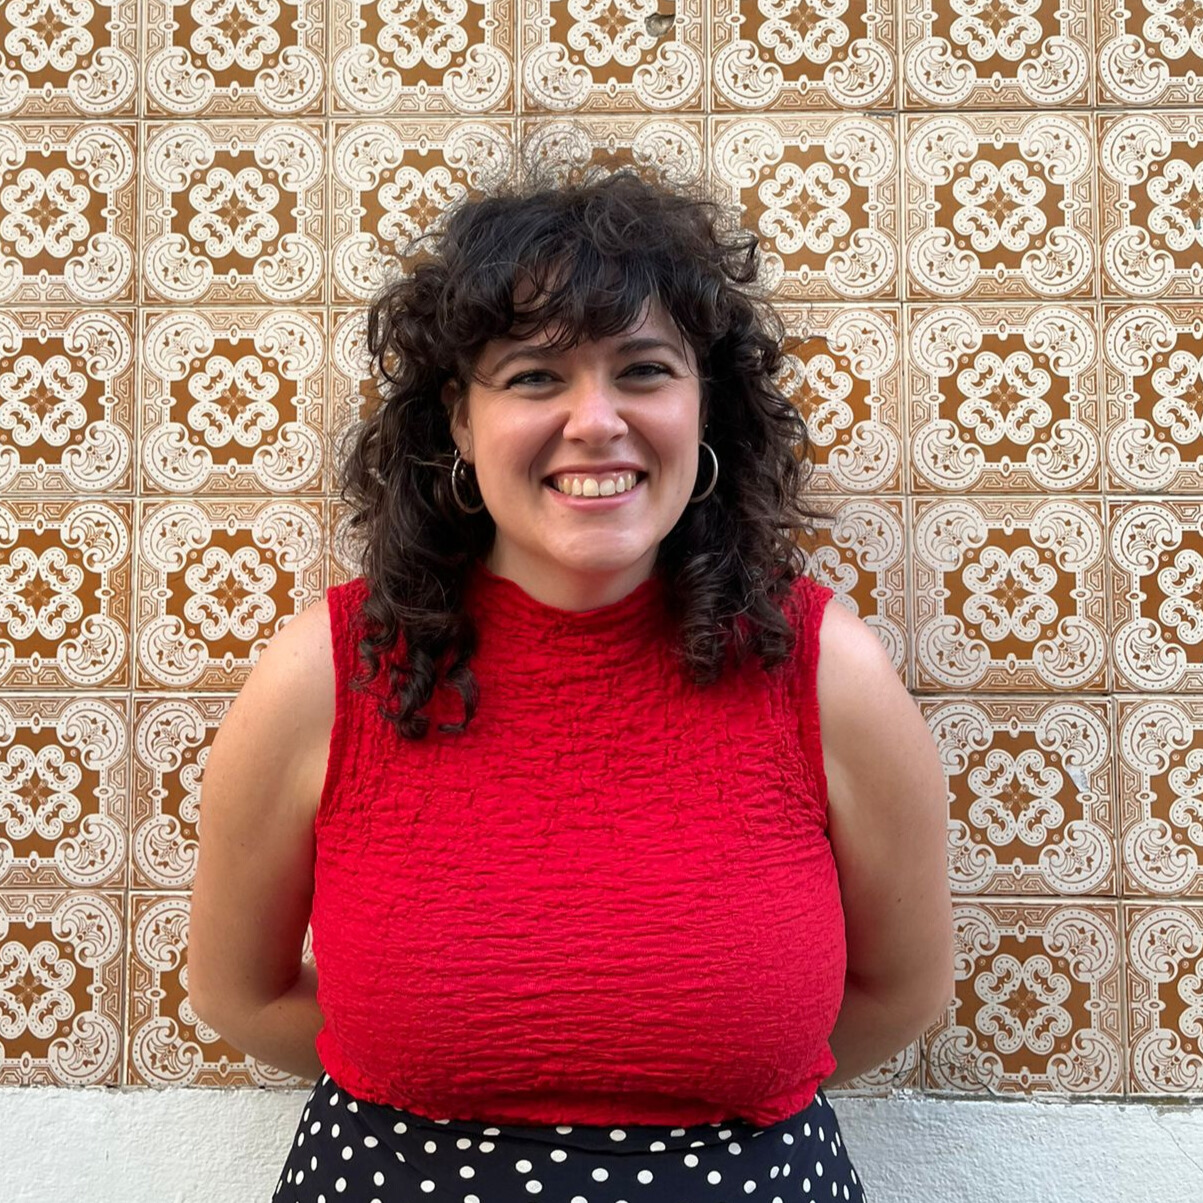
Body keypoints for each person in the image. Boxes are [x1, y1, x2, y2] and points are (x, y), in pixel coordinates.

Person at [186, 158, 954, 1203]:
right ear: (459, 421)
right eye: (535, 377)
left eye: (643, 370)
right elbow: (239, 993)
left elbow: (897, 992)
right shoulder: (329, 670)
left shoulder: (826, 674)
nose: (596, 420)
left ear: (704, 407)